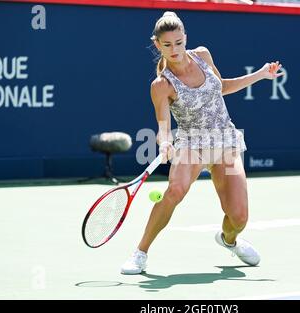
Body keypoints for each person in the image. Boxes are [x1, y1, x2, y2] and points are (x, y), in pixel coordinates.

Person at [120, 11, 283, 274]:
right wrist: (164, 144)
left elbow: (222, 87)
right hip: (191, 145)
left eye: (179, 42)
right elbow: (163, 128)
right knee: (174, 191)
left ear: (185, 38)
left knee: (239, 217)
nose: (174, 50)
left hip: (225, 143)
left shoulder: (203, 55)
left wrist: (261, 74)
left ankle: (229, 240)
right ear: (157, 44)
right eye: (167, 45)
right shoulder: (161, 85)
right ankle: (140, 252)